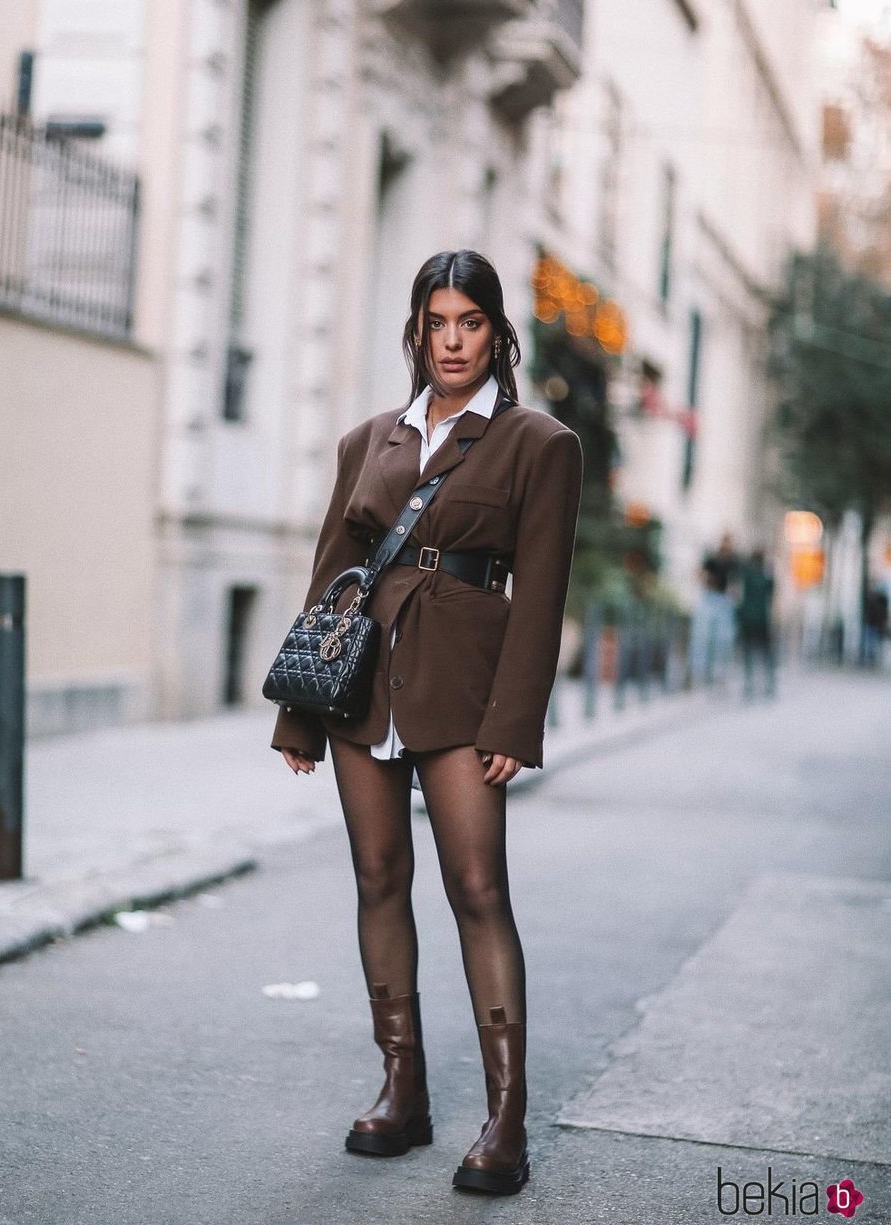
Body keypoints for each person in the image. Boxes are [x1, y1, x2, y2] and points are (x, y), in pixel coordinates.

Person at [270, 250, 583, 1196]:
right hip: (367, 685)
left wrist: (513, 722)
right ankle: (402, 1089)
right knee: (376, 875)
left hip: (465, 693)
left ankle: (506, 1117)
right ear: (417, 330)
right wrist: (302, 712)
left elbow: (540, 596)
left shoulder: (539, 444)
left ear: (498, 333)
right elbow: (335, 572)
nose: (453, 340)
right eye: (437, 322)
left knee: (478, 886)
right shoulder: (370, 439)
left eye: (471, 322)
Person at [689, 532, 740, 685]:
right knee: (702, 637)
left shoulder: (733, 561)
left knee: (722, 639)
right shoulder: (712, 558)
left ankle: (717, 673)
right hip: (710, 597)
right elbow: (698, 573)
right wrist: (706, 582)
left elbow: (736, 581)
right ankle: (699, 673)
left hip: (723, 600)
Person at [736, 547, 776, 699]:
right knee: (766, 654)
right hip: (761, 619)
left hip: (749, 619)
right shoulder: (766, 577)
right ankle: (769, 684)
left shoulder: (747, 574)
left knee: (749, 653)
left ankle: (750, 684)